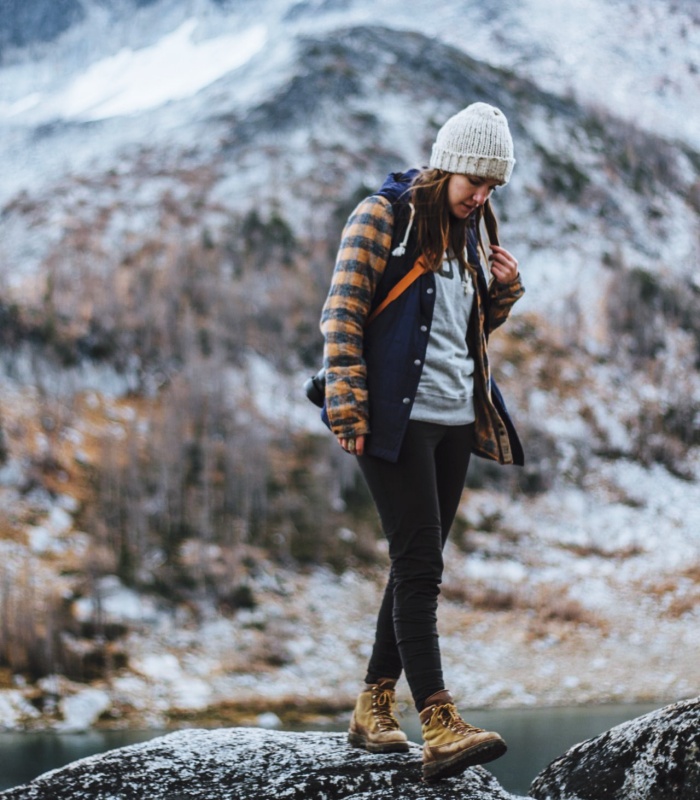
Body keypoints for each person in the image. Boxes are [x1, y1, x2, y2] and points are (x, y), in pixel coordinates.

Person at [320, 102, 525, 782]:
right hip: (395, 422)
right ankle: (438, 720)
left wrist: (502, 294)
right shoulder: (383, 217)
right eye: (476, 180)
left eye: (493, 185)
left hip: (454, 423)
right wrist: (348, 409)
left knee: (418, 560)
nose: (482, 194)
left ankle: (372, 708)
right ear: (447, 165)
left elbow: (460, 336)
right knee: (420, 567)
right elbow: (342, 315)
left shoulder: (472, 233)